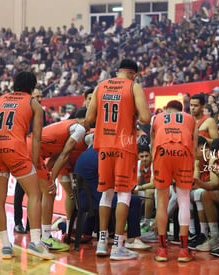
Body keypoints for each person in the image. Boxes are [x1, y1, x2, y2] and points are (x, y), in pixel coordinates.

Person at [86, 59, 151, 260]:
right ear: (133, 74)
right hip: (124, 144)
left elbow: (88, 119)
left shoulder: (101, 86)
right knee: (124, 195)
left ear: (118, 71)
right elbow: (146, 118)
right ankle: (118, 245)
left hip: (103, 144)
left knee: (106, 194)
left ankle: (102, 243)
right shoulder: (134, 86)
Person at [0, 71, 53, 260]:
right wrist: (33, 162)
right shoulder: (34, 104)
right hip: (15, 150)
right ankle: (35, 242)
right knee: (34, 194)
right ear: (32, 87)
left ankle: (6, 246)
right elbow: (37, 138)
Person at [152, 100, 197, 262]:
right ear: (181, 110)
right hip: (183, 151)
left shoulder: (157, 117)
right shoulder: (190, 118)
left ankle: (162, 250)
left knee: (162, 202)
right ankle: (184, 251)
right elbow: (195, 146)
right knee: (184, 200)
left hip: (162, 151)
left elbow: (152, 144)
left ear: (166, 109)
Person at [37, 108, 87, 247]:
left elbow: (55, 157)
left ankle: (41, 234)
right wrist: (51, 178)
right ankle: (45, 237)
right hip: (33, 152)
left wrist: (48, 175)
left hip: (34, 151)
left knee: (38, 194)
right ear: (84, 119)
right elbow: (64, 155)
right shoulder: (80, 129)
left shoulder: (66, 127)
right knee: (49, 192)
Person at [14, 88, 47, 234]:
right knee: (20, 191)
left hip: (35, 154)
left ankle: (30, 223)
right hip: (22, 153)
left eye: (41, 96)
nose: (39, 99)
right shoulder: (24, 110)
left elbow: (42, 133)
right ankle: (17, 222)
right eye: (37, 96)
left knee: (35, 192)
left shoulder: (42, 112)